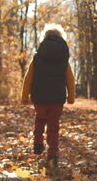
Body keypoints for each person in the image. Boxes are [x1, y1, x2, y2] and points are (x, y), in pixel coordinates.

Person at [21, 24, 75, 169]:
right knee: (53, 126)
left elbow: (28, 78)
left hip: (40, 97)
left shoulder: (37, 58)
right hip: (57, 99)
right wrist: (71, 96)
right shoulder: (64, 60)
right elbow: (70, 79)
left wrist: (24, 96)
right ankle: (53, 154)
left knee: (40, 119)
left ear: (44, 39)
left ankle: (38, 143)